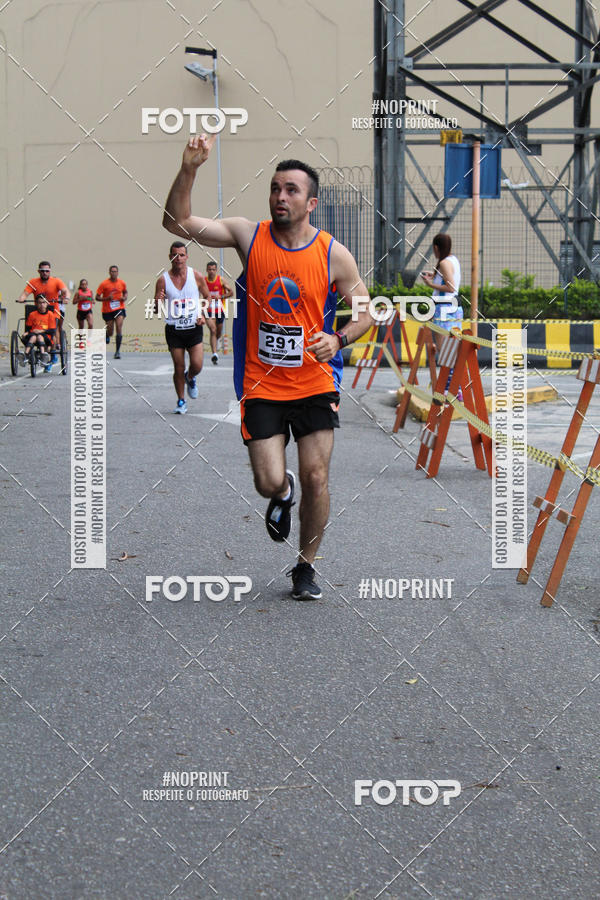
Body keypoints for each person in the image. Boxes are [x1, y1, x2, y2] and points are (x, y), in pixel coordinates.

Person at [162, 135, 373, 600]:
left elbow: (366, 311)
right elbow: (175, 222)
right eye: (275, 188)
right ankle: (282, 494)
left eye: (291, 190)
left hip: (316, 381)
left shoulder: (333, 253)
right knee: (267, 481)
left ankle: (305, 567)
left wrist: (337, 337)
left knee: (318, 476)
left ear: (311, 202)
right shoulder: (247, 234)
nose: (280, 196)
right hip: (262, 384)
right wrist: (189, 169)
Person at [155, 242, 210, 414]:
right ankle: (181, 401)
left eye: (181, 255)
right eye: (174, 255)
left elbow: (207, 296)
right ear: (169, 256)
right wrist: (158, 299)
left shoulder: (197, 276)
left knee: (197, 364)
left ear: (186, 257)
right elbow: (156, 309)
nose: (178, 258)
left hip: (193, 327)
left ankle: (191, 378)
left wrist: (202, 313)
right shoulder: (163, 279)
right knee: (178, 366)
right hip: (174, 329)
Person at [421, 233, 462, 396]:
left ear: (436, 247)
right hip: (452, 308)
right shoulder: (452, 260)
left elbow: (451, 287)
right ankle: (453, 387)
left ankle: (451, 389)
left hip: (444, 308)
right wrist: (435, 277)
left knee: (445, 351)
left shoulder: (444, 263)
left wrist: (430, 283)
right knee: (450, 350)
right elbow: (449, 282)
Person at [18, 261, 70, 363]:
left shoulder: (56, 281)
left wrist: (66, 298)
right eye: (42, 271)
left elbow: (65, 291)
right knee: (35, 327)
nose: (45, 273)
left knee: (54, 331)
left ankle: (53, 352)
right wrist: (21, 298)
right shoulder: (33, 282)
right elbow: (25, 293)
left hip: (53, 310)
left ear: (50, 271)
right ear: (39, 271)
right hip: (38, 310)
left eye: (47, 271)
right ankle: (33, 351)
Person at [205, 260, 233, 365]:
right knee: (213, 329)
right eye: (210, 269)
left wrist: (220, 296)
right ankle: (215, 354)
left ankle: (215, 343)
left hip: (219, 310)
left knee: (218, 332)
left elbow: (231, 292)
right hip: (208, 310)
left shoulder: (221, 280)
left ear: (216, 270)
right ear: (207, 270)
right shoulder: (203, 281)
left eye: (213, 269)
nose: (211, 271)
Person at [96, 265, 127, 358]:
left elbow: (125, 292)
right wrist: (106, 298)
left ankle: (117, 352)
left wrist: (124, 297)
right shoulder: (104, 284)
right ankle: (106, 334)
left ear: (118, 272)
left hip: (119, 308)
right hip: (107, 310)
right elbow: (97, 297)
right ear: (109, 273)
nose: (114, 273)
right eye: (112, 271)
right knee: (110, 332)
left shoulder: (122, 283)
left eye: (115, 271)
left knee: (119, 327)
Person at [21, 295, 57, 369]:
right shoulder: (32, 314)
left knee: (40, 337)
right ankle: (26, 355)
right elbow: (28, 328)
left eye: (44, 303)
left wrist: (41, 331)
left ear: (47, 303)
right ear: (36, 304)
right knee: (33, 337)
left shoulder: (50, 314)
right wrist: (26, 332)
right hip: (33, 334)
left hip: (45, 334)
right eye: (40, 303)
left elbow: (52, 330)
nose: (42, 305)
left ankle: (43, 355)